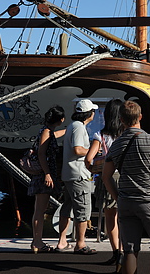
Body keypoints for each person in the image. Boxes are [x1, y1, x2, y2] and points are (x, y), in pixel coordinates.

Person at [103, 100, 150, 274]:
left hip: (126, 202)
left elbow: (106, 176)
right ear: (140, 117)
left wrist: (118, 197)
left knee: (130, 250)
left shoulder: (116, 145)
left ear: (121, 120)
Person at [85, 98, 123, 266]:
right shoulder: (126, 135)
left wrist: (93, 170)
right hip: (124, 177)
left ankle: (117, 252)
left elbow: (89, 159)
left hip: (107, 177)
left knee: (110, 217)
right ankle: (127, 250)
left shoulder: (99, 135)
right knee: (125, 218)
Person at [57, 99, 98, 255]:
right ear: (89, 114)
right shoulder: (79, 128)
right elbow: (78, 149)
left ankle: (62, 241)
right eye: (93, 111)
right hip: (79, 174)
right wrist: (94, 152)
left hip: (68, 173)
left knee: (66, 207)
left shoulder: (72, 126)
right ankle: (80, 244)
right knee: (82, 210)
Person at [27, 105, 66, 254]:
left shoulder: (48, 131)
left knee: (40, 209)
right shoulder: (46, 132)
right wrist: (48, 174)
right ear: (60, 119)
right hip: (44, 176)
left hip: (44, 175)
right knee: (40, 210)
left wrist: (68, 131)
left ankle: (37, 240)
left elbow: (53, 136)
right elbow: (41, 153)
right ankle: (37, 241)